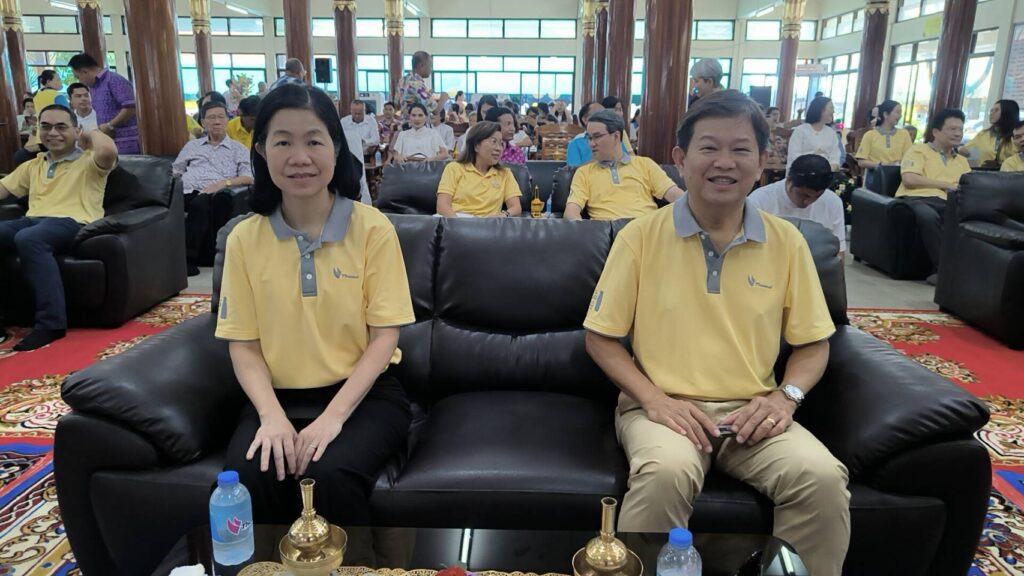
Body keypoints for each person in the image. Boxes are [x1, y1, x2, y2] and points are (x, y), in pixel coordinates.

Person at [584, 90, 849, 576]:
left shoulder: (787, 242)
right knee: (664, 473)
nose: (724, 162)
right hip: (664, 410)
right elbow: (600, 339)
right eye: (708, 147)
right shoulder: (640, 236)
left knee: (822, 478)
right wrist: (654, 400)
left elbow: (813, 343)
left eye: (740, 149)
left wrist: (785, 398)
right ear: (680, 158)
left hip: (753, 412)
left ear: (763, 161)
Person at [217, 83, 415, 527]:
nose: (299, 157)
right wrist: (270, 416)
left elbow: (384, 337)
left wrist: (332, 419)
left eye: (313, 141)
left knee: (327, 475)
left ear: (336, 148)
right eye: (282, 142)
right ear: (261, 151)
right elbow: (243, 345)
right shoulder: (244, 238)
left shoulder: (372, 229)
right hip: (276, 397)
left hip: (362, 397)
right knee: (251, 475)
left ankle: (355, 562)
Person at [0, 104, 119, 351]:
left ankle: (51, 323)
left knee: (29, 238)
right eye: (46, 127)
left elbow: (108, 150)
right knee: (22, 232)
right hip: (34, 219)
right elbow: (3, 189)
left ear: (76, 130)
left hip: (74, 220)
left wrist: (90, 133)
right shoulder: (35, 164)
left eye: (61, 127)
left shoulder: (90, 161)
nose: (52, 133)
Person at [172, 101, 254, 276]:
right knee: (190, 202)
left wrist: (223, 184)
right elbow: (176, 171)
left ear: (227, 120)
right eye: (211, 118)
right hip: (186, 191)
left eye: (221, 117)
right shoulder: (192, 146)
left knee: (201, 204)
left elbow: (249, 177)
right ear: (203, 122)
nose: (216, 121)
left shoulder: (238, 149)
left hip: (216, 193)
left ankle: (189, 259)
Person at [896, 108, 971, 286]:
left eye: (960, 129)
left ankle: (965, 272)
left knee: (965, 220)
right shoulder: (918, 151)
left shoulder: (962, 161)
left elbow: (968, 186)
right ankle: (945, 272)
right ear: (936, 132)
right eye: (952, 129)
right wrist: (946, 185)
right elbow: (909, 179)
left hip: (948, 202)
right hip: (916, 198)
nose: (958, 133)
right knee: (928, 216)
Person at [565, 110, 683, 221]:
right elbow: (571, 211)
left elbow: (675, 195)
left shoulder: (645, 164)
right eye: (589, 138)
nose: (591, 144)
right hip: (608, 231)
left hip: (647, 228)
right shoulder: (584, 172)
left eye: (597, 136)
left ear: (616, 136)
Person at [748, 154, 847, 258]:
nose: (808, 202)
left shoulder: (832, 202)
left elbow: (838, 250)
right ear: (789, 181)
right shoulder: (760, 201)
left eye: (817, 197)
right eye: (804, 195)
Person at [436, 121, 523, 218]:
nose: (498, 148)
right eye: (493, 142)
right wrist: (459, 224)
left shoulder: (505, 173)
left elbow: (516, 208)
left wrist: (503, 215)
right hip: (457, 219)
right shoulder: (454, 168)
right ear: (476, 146)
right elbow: (442, 206)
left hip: (488, 223)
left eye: (501, 143)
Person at [69, 52, 140, 154]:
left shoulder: (114, 80)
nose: (80, 81)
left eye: (78, 77)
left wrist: (110, 125)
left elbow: (130, 107)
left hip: (127, 143)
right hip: (109, 143)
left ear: (84, 71)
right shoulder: (93, 87)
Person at [855, 100, 913, 189]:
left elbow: (909, 157)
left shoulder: (904, 134)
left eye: (901, 113)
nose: (900, 115)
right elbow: (861, 162)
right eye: (897, 112)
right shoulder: (870, 135)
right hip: (874, 177)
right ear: (886, 114)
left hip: (897, 177)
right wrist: (882, 165)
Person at [787, 96, 842, 171]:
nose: (833, 111)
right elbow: (794, 156)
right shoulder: (800, 131)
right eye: (831, 108)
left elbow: (835, 157)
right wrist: (813, 169)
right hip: (803, 172)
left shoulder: (831, 133)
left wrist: (828, 170)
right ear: (821, 110)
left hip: (826, 173)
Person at [961, 99, 1020, 167]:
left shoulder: (1018, 136)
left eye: (996, 110)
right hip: (984, 172)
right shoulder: (983, 134)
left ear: (1007, 113)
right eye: (991, 110)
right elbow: (964, 150)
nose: (992, 113)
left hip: (1010, 172)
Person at [567, 102, 627, 168]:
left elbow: (627, 162)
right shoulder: (576, 143)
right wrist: (600, 159)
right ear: (585, 119)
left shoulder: (614, 138)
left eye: (604, 115)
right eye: (596, 115)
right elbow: (573, 171)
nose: (603, 118)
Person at [398, 51, 447, 117]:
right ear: (421, 66)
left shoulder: (403, 80)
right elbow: (436, 110)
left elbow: (398, 103)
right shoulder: (417, 84)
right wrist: (443, 98)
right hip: (416, 122)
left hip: (404, 121)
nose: (431, 69)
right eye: (430, 66)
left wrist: (428, 94)